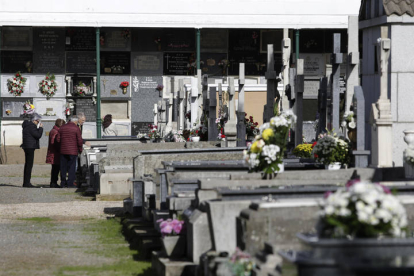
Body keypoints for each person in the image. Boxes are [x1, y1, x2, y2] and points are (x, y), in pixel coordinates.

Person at [58, 116, 83, 188]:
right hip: (73, 151)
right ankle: (70, 183)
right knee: (71, 168)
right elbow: (79, 141)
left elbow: (58, 139)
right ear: (75, 122)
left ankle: (63, 183)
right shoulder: (76, 128)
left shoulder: (62, 127)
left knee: (63, 168)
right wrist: (80, 149)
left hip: (63, 151)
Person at [21, 113, 43, 188]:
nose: (38, 122)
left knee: (28, 164)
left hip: (27, 146)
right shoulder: (31, 126)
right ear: (34, 120)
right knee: (29, 165)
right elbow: (37, 135)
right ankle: (27, 183)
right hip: (30, 146)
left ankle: (26, 182)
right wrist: (40, 128)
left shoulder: (26, 125)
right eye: (38, 121)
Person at [46, 119, 65, 188]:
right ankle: (53, 182)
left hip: (53, 153)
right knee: (55, 169)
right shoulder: (56, 131)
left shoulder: (53, 130)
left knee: (55, 168)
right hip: (55, 153)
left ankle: (53, 182)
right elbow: (53, 142)